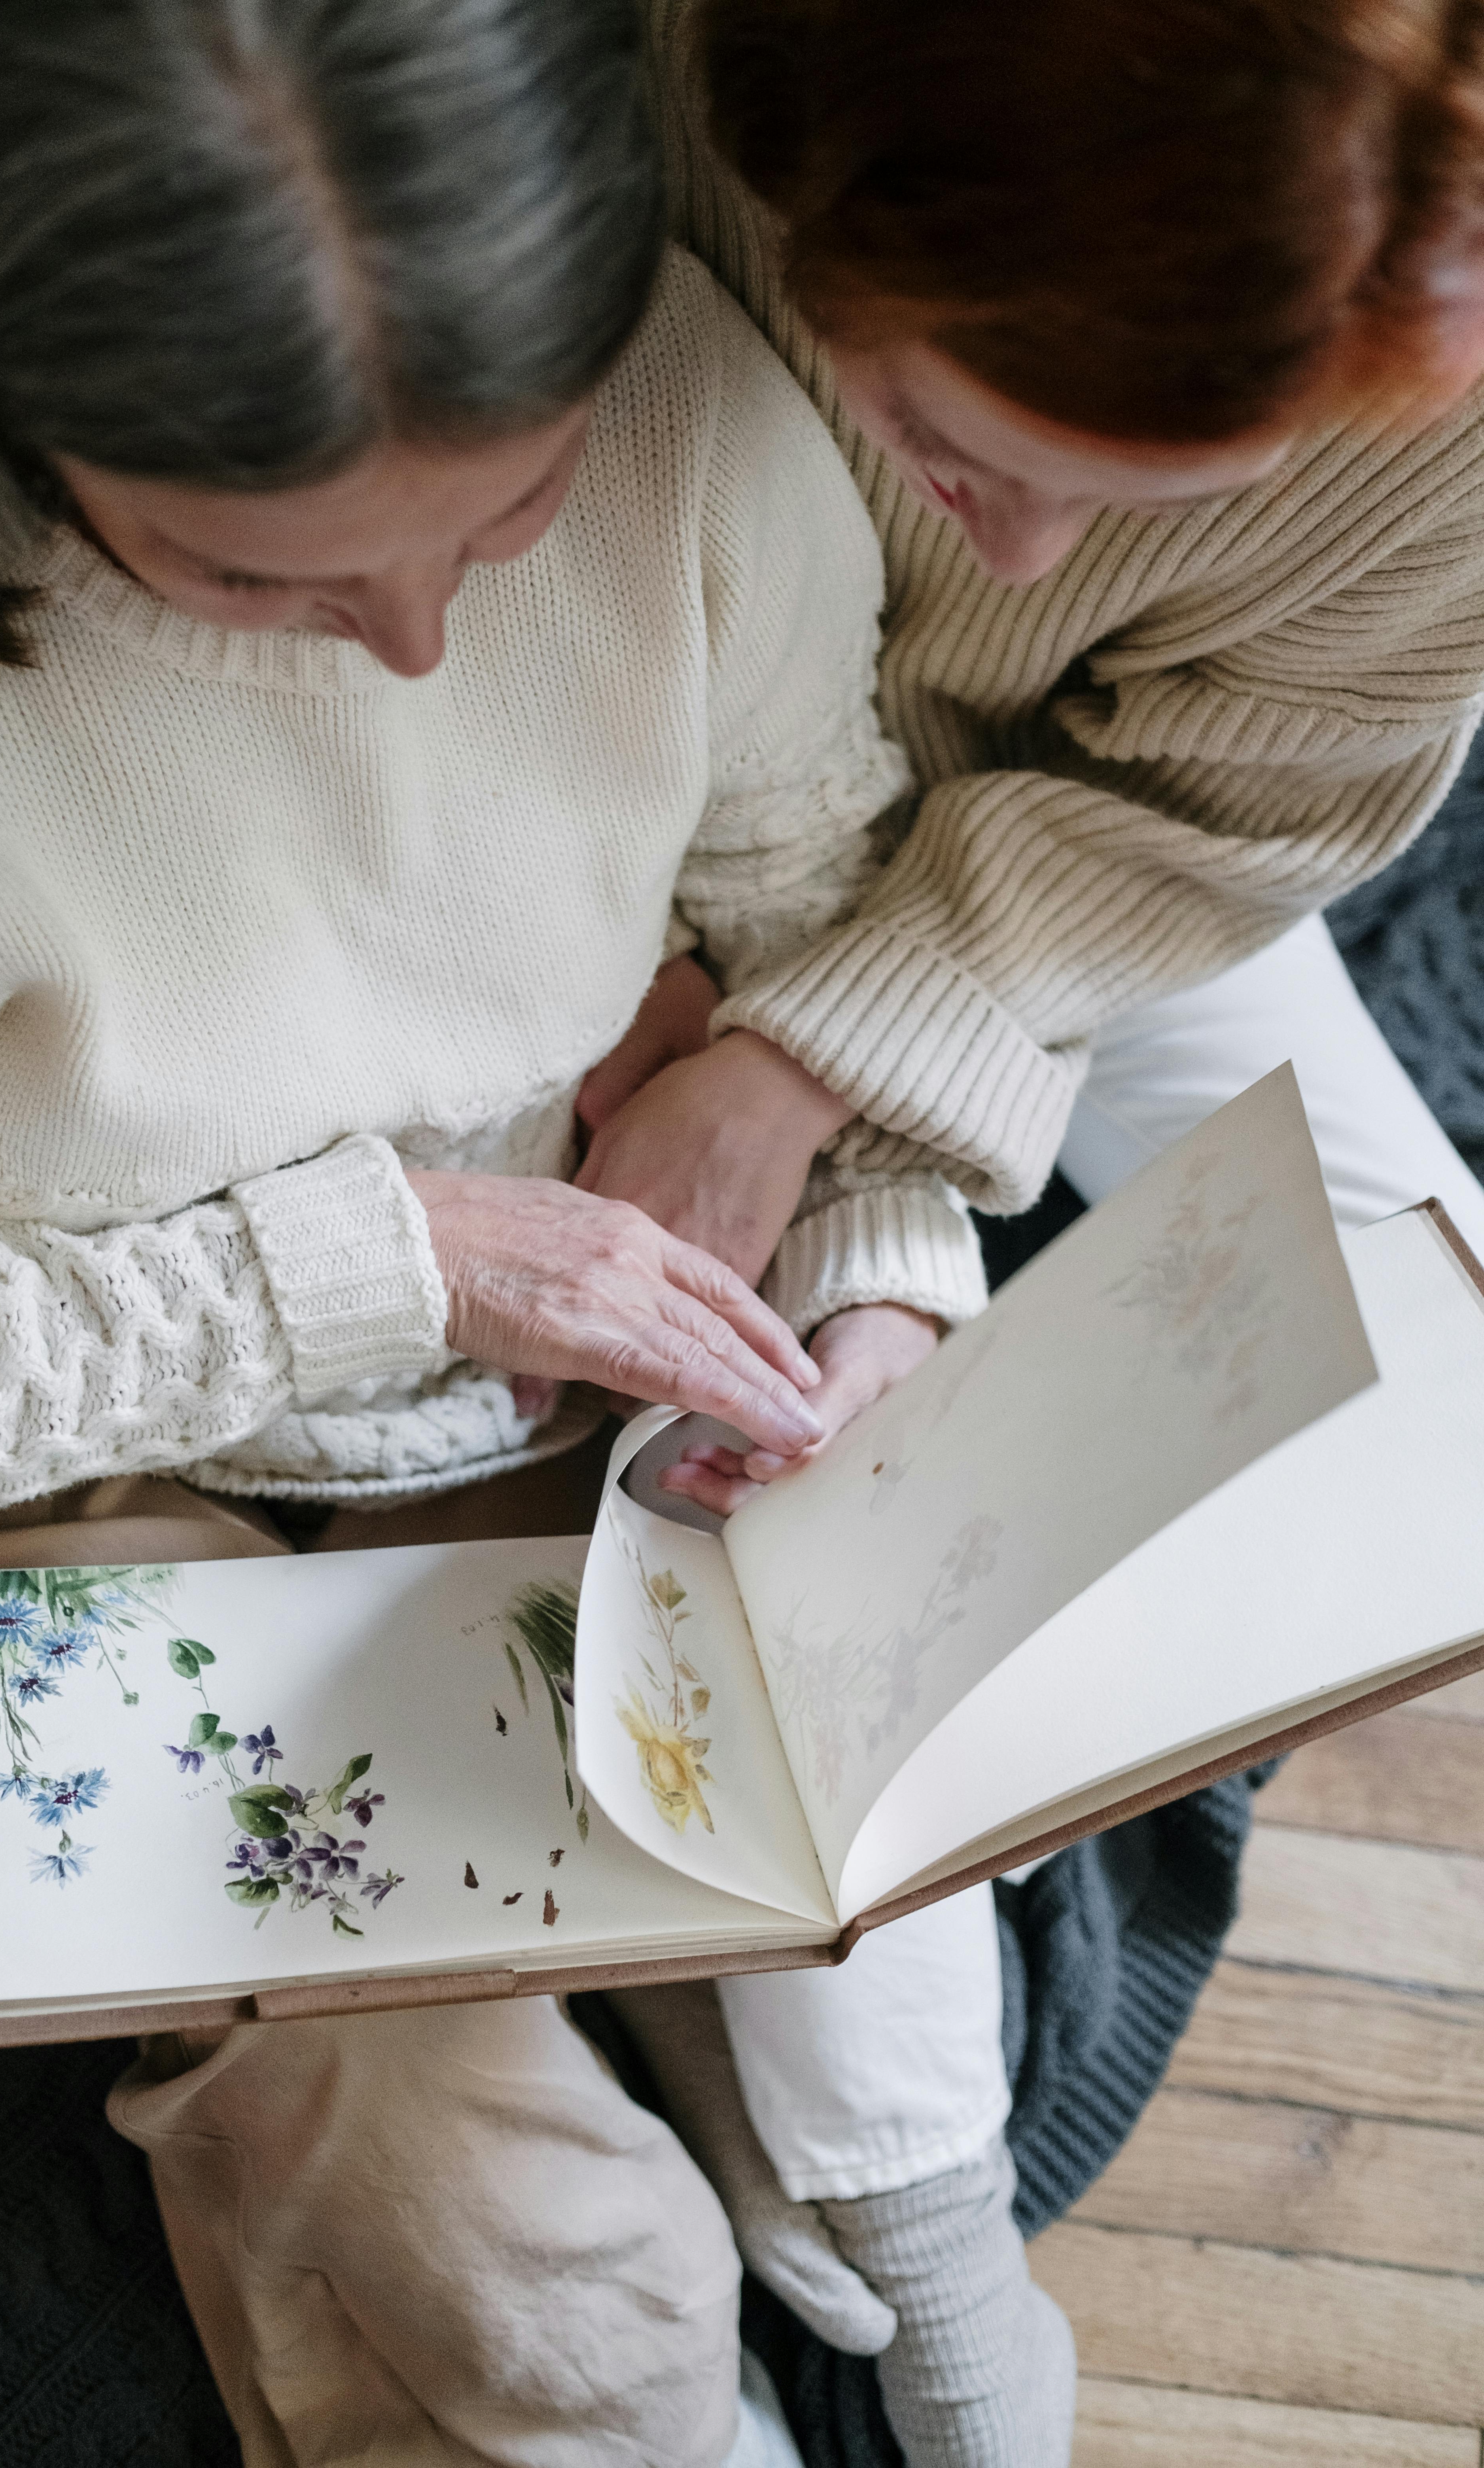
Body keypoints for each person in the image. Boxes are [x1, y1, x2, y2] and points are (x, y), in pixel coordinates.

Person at [0, 3, 1017, 2464]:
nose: (413, 650)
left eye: (508, 516)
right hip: (18, 1470)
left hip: (575, 1317)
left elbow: (828, 931)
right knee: (550, 2276)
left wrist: (871, 1266)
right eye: (239, 573)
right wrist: (396, 1263)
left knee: (887, 1921)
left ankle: (919, 2244)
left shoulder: (700, 416)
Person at [555, 3, 1484, 2463]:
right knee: (799, 1541)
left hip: (1065, 841)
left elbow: (1202, 802)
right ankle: (914, 2198)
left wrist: (834, 1062)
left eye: (1159, 496)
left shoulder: (1439, 420)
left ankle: (801, 2042)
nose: (1043, 559)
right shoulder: (653, 168)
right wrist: (713, 1030)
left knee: (1433, 1372)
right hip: (662, 728)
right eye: (968, 453)